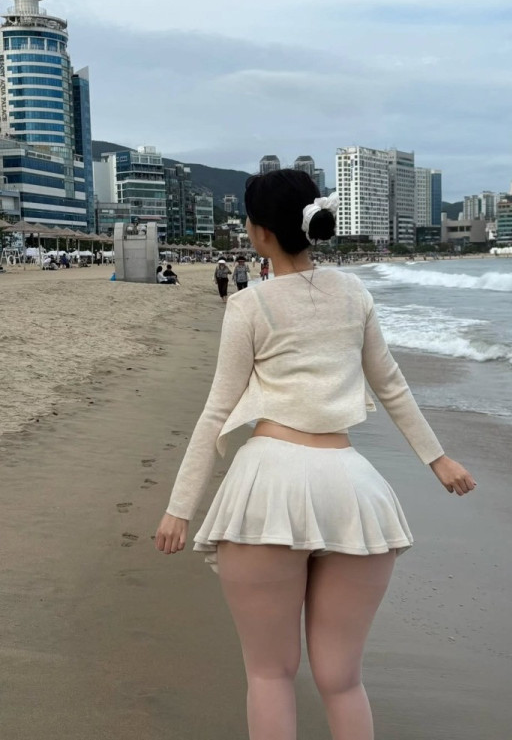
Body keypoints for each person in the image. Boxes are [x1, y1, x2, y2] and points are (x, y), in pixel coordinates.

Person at [155, 169, 477, 740]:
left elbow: (216, 411)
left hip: (268, 487)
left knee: (269, 674)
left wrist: (180, 507)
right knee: (343, 681)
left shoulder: (249, 305)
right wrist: (438, 460)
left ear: (259, 232)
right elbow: (391, 384)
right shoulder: (353, 293)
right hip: (352, 491)